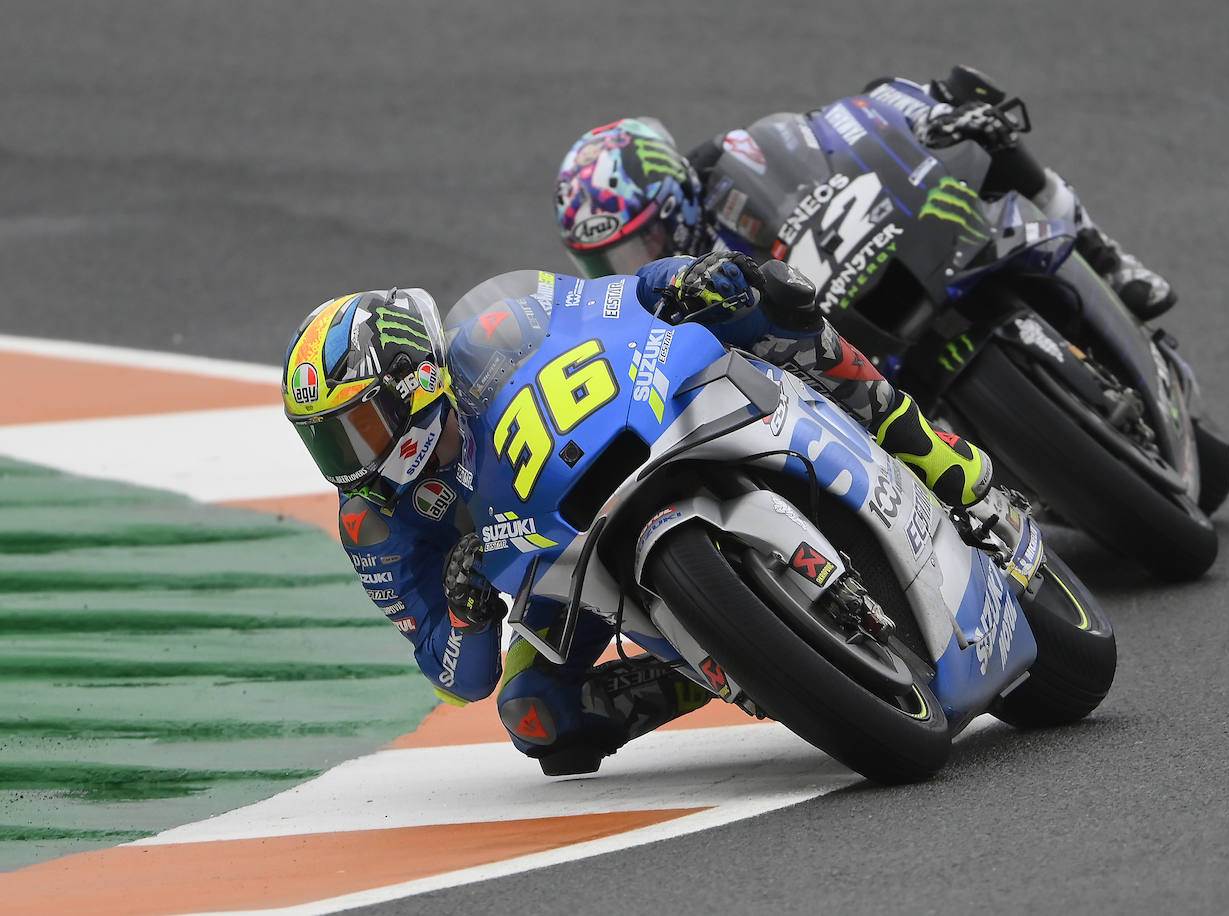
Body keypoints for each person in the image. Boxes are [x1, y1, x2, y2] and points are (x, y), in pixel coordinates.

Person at [282, 251, 1006, 776]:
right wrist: (467, 610)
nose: (350, 460)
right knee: (534, 714)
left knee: (764, 296)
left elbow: (609, 300)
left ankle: (916, 440)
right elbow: (457, 676)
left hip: (635, 431)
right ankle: (731, 663)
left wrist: (682, 278)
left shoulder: (494, 328)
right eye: (327, 442)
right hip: (551, 565)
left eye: (359, 427)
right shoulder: (372, 522)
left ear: (412, 379)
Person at [554, 66, 1176, 321]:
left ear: (673, 200)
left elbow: (843, 125)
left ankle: (1106, 256)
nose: (631, 269)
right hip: (834, 351)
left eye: (640, 244)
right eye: (608, 263)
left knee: (961, 105)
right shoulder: (671, 299)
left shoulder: (733, 162)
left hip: (883, 252)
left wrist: (927, 121)